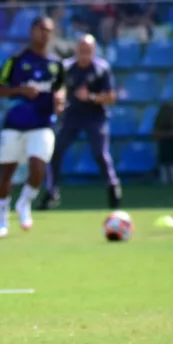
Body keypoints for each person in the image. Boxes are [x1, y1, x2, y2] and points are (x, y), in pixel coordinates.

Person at [0, 17, 65, 238]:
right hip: (14, 124)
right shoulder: (15, 61)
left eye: (49, 30)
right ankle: (3, 216)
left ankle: (24, 203)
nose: (45, 34)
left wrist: (60, 99)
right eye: (41, 29)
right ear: (32, 31)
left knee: (38, 167)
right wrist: (20, 90)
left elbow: (61, 88)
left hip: (42, 124)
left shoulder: (56, 64)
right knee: (6, 175)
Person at [42, 34, 121, 211]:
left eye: (88, 51)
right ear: (76, 50)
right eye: (81, 51)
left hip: (95, 116)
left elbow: (111, 97)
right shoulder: (66, 67)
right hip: (72, 116)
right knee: (55, 151)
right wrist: (59, 101)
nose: (84, 55)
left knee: (100, 153)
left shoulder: (101, 69)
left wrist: (91, 97)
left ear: (93, 51)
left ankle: (112, 187)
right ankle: (51, 191)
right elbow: (58, 89)